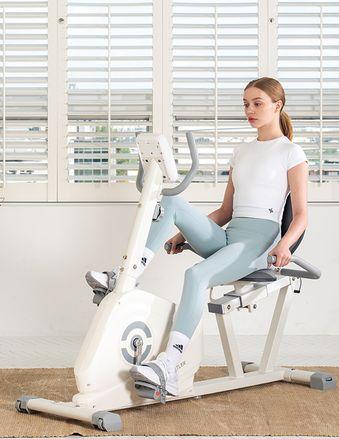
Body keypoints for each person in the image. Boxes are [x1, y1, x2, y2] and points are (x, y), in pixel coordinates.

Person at [86, 77, 308, 397]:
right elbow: (226, 210)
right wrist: (182, 232)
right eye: (246, 104)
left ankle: (169, 365)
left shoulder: (291, 152)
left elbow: (301, 214)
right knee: (172, 202)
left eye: (257, 103)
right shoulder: (242, 151)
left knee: (196, 275)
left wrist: (285, 244)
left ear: (278, 106)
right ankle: (126, 275)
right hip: (230, 236)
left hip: (258, 244)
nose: (250, 110)